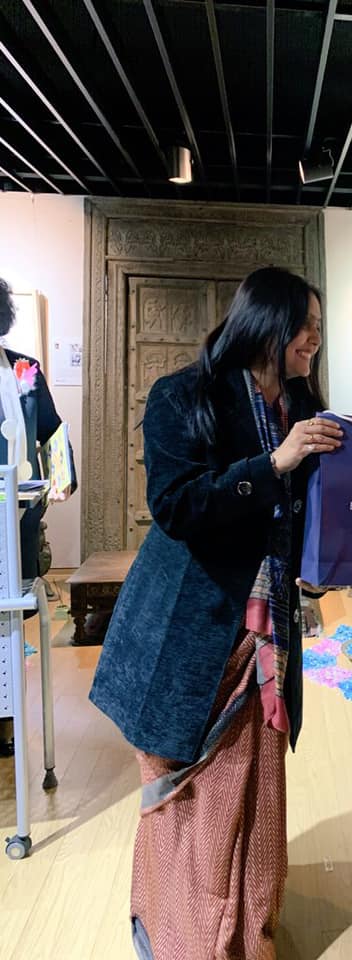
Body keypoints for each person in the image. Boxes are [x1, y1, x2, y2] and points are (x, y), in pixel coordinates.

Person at [89, 267, 343, 960]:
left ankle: (246, 925)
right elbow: (176, 506)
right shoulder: (183, 395)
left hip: (266, 632)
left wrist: (330, 558)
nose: (314, 340)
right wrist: (273, 464)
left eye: (318, 328)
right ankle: (187, 936)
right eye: (305, 326)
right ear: (265, 325)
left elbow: (313, 509)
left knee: (255, 791)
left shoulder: (302, 403)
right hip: (187, 633)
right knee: (187, 796)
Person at [0, 277, 76, 757]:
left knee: (10, 623)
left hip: (18, 519)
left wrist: (61, 478)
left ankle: (6, 722)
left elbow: (50, 429)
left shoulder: (23, 369)